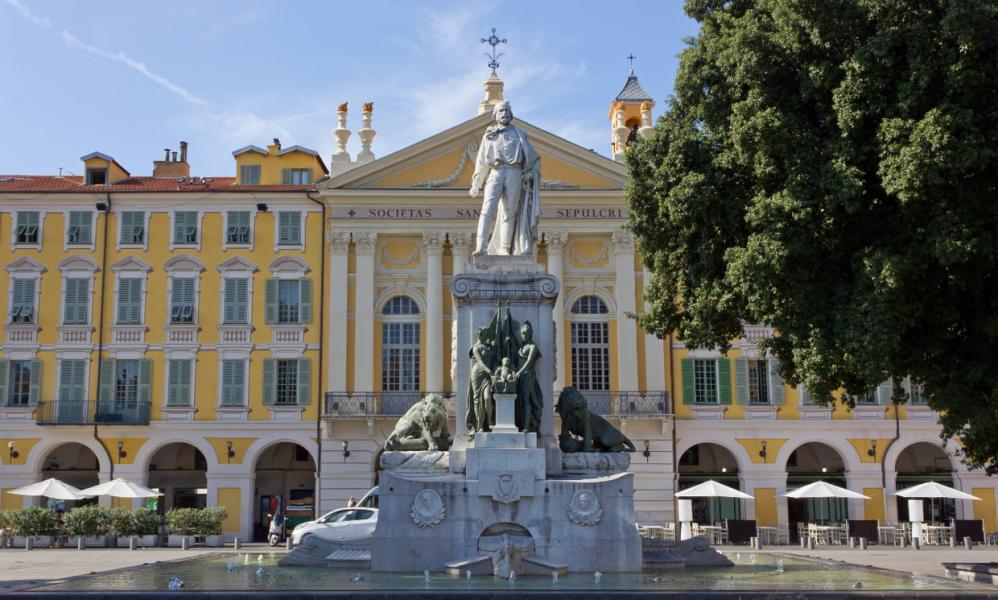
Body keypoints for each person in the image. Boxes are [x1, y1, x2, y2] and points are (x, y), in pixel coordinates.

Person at [469, 100, 541, 256]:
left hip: (514, 172)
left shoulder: (520, 134)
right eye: (501, 111)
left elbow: (534, 159)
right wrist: (476, 184)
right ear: (495, 115)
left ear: (511, 115)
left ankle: (504, 248)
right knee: (487, 209)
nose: (504, 113)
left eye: (507, 111)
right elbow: (481, 162)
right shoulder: (489, 136)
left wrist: (532, 172)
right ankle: (481, 246)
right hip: (495, 172)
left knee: (510, 212)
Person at [514, 321, 543, 433]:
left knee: (526, 399)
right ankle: (520, 424)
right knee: (519, 401)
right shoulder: (521, 346)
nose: (524, 335)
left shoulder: (532, 346)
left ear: (531, 333)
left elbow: (529, 362)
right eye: (522, 333)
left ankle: (526, 426)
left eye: (526, 333)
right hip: (519, 377)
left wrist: (519, 372)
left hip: (528, 376)